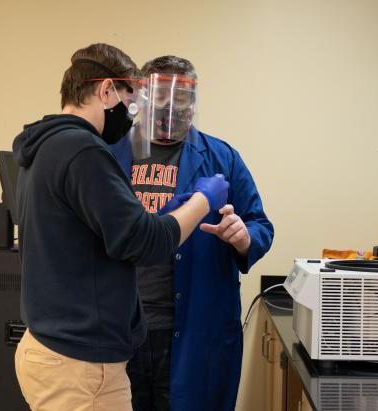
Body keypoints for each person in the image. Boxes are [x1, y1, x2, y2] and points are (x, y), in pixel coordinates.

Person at [12, 44, 229, 411]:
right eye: (130, 102)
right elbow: (146, 243)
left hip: (67, 347)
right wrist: (202, 201)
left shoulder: (45, 147)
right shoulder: (84, 151)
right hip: (76, 361)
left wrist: (166, 214)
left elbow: (96, 232)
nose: (131, 116)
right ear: (105, 90)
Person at [111, 56, 274, 411]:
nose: (172, 108)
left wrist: (244, 237)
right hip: (122, 327)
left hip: (194, 328)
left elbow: (260, 225)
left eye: (182, 99)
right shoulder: (110, 154)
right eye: (162, 98)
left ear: (194, 103)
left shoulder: (221, 157)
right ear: (142, 97)